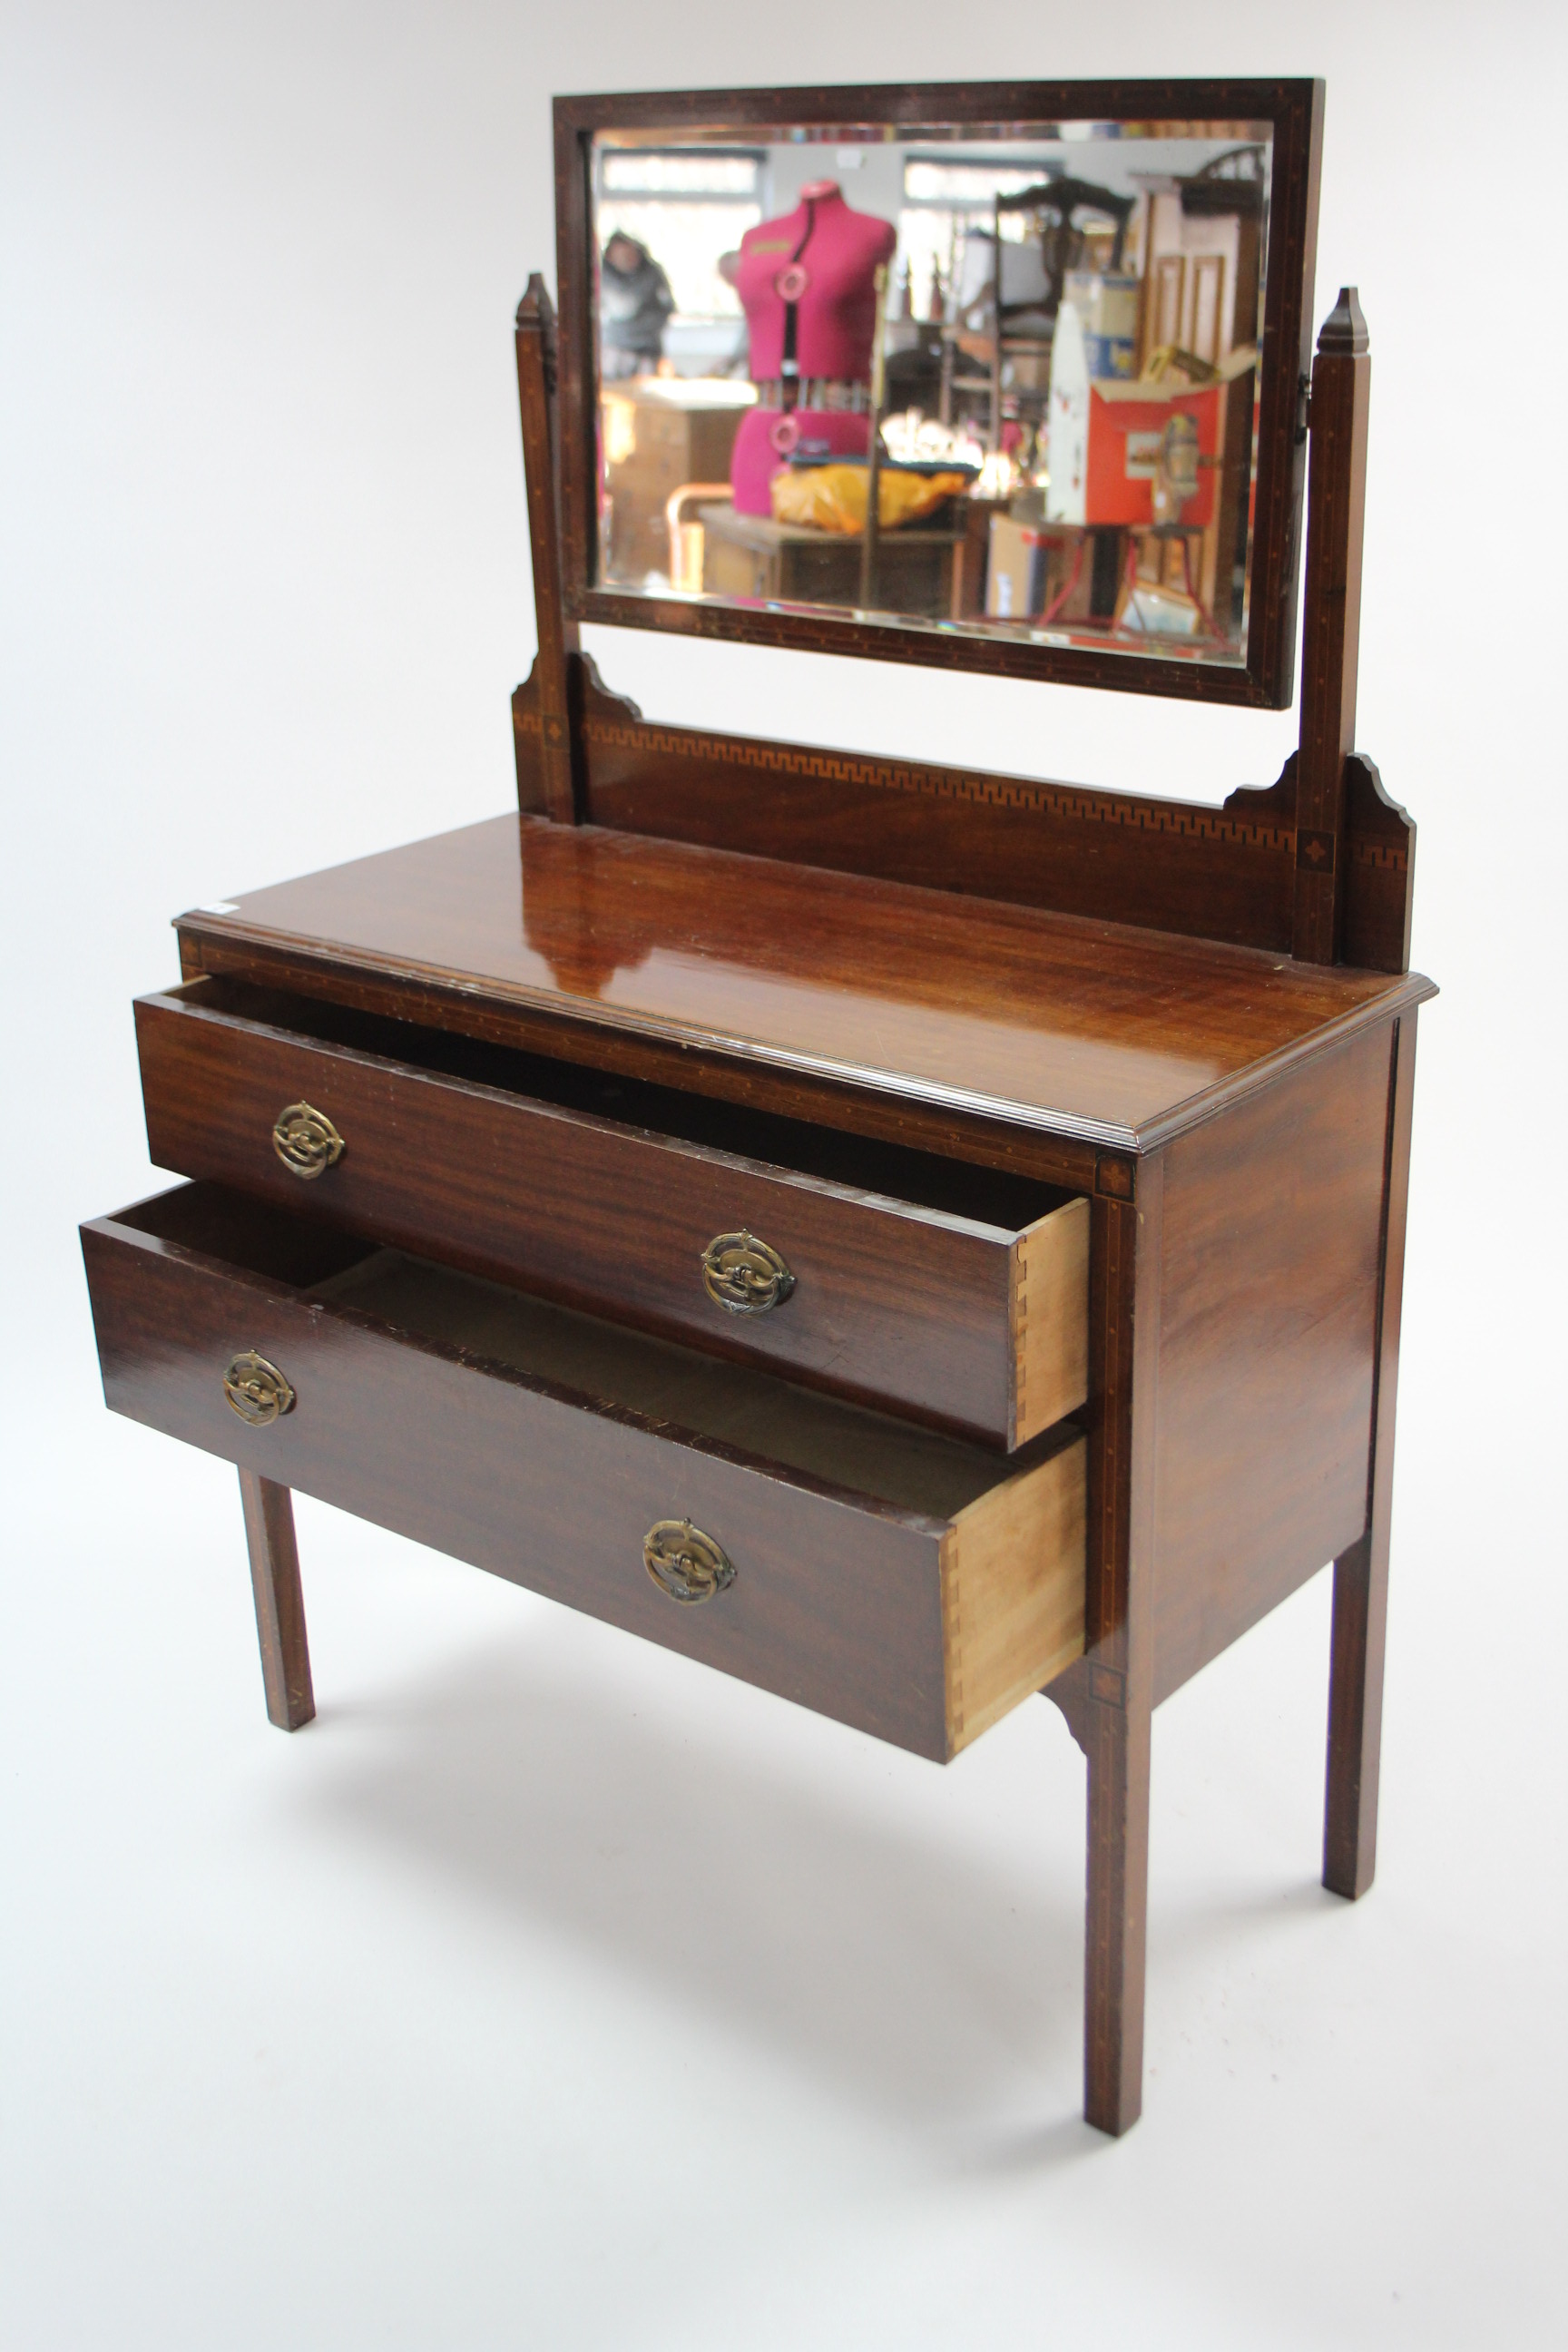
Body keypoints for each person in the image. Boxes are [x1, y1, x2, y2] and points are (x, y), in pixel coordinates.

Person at [599, 232, 675, 379]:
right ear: (610, 256)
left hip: (646, 351)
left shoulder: (652, 273)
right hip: (614, 350)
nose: (627, 260)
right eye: (621, 256)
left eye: (630, 255)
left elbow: (668, 306)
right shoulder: (602, 276)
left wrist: (649, 324)